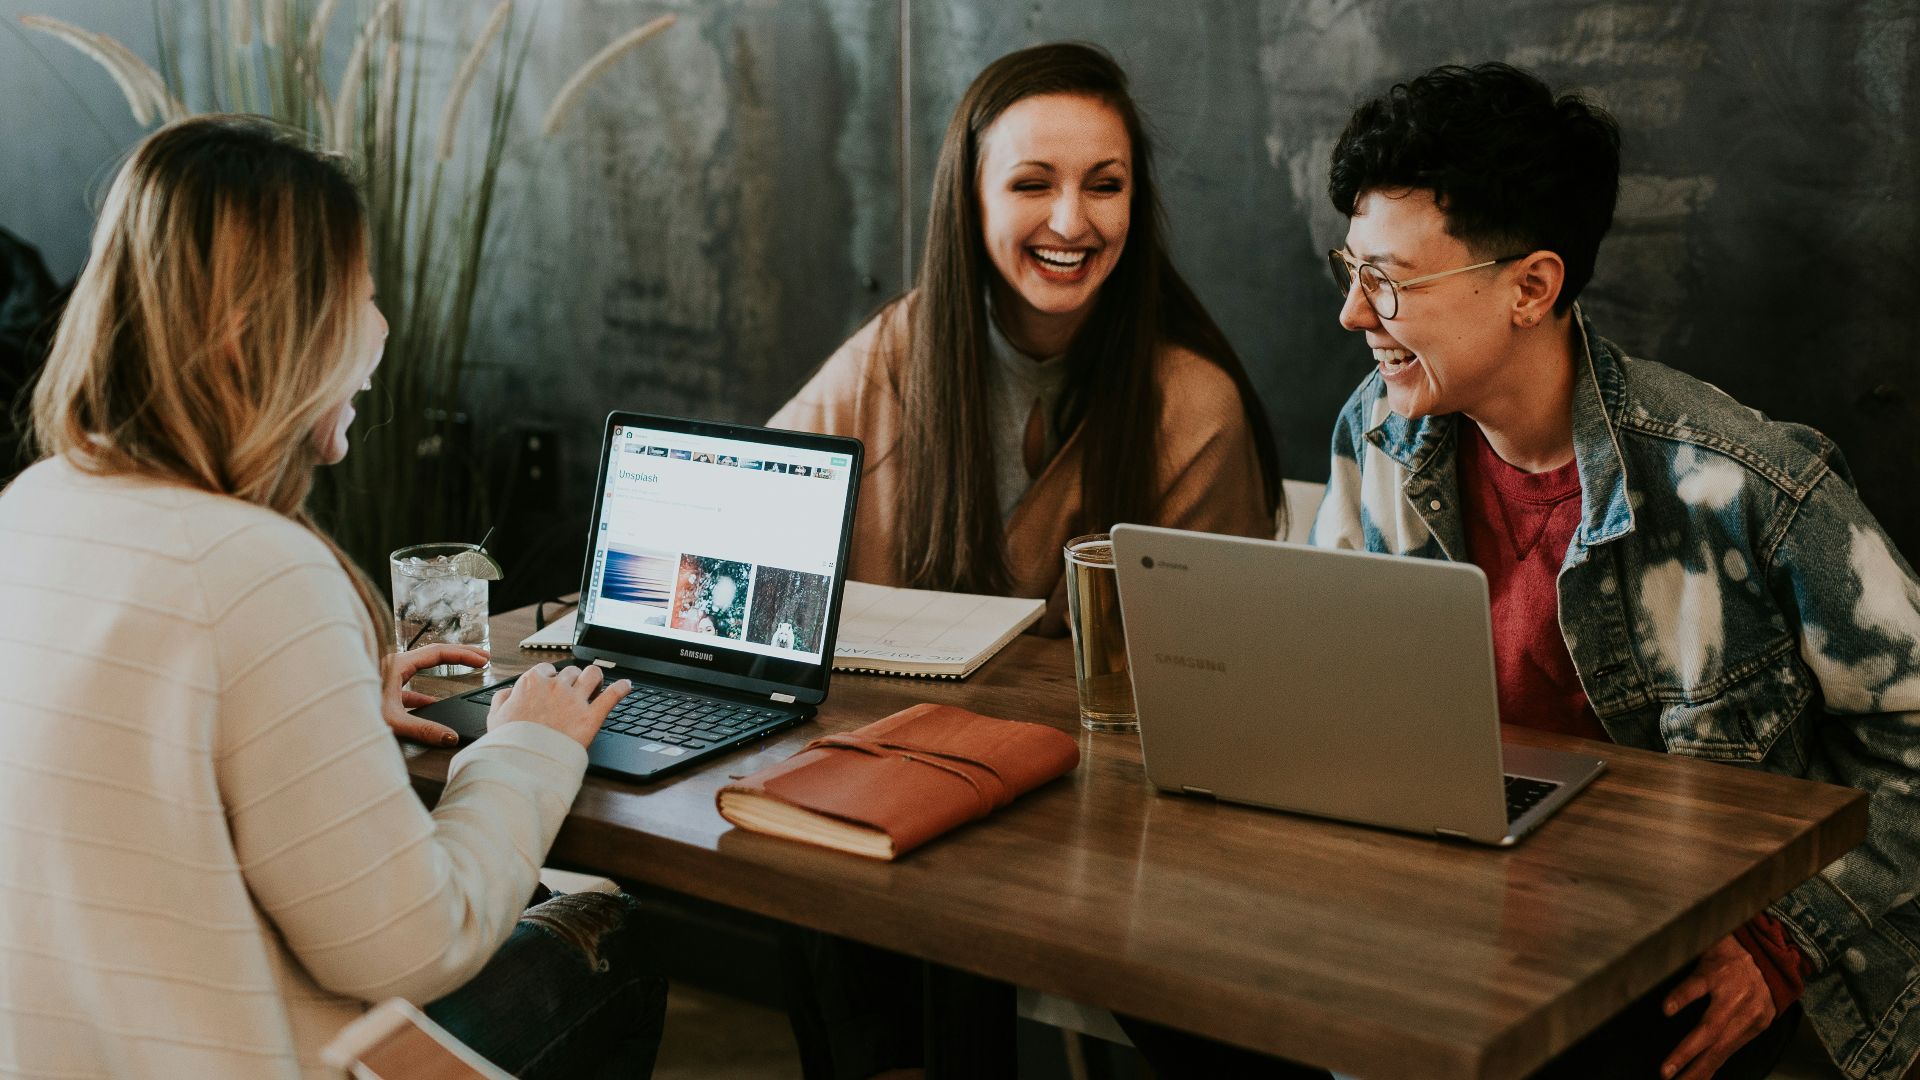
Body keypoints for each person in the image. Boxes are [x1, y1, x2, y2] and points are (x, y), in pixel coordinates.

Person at [0, 116, 663, 1079]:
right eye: (359, 297)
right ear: (254, 334)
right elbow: (413, 945)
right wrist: (530, 749)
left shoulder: (37, 502)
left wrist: (331, 703)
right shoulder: (257, 568)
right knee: (611, 933)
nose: (382, 330)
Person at [1312, 62, 1920, 1080]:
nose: (1352, 315)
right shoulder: (1376, 436)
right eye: (1350, 269)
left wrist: (1785, 942)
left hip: (1698, 964)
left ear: (1532, 287)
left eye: (1390, 282)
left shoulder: (1745, 484)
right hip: (1474, 934)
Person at [771, 42, 1282, 635]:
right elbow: (746, 516)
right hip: (878, 726)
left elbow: (1216, 661)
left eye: (1105, 186)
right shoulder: (891, 353)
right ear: (971, 199)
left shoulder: (1196, 407)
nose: (1070, 222)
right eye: (1032, 185)